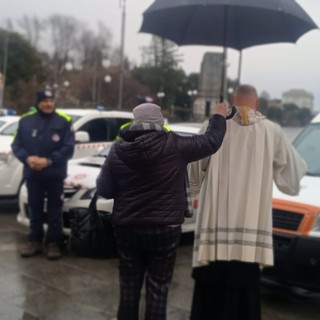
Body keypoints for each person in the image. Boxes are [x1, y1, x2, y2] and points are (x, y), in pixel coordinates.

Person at [96, 102, 228, 320]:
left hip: (126, 228)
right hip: (165, 229)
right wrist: (218, 117)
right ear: (160, 121)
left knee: (128, 288)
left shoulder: (118, 149)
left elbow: (105, 190)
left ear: (134, 121)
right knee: (158, 289)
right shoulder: (175, 144)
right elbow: (211, 142)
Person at [188, 84, 307, 320]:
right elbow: (292, 176)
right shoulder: (271, 131)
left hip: (214, 235)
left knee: (208, 304)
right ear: (257, 104)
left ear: (233, 100)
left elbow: (192, 174)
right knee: (243, 306)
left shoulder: (212, 126)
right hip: (249, 238)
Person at [11, 89, 75, 260]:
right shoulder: (25, 121)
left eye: (51, 101)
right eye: (45, 101)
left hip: (54, 174)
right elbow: (16, 145)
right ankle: (35, 241)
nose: (49, 104)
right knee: (34, 208)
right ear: (38, 102)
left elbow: (69, 148)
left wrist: (48, 161)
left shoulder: (64, 121)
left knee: (55, 209)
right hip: (33, 174)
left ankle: (54, 243)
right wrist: (28, 159)